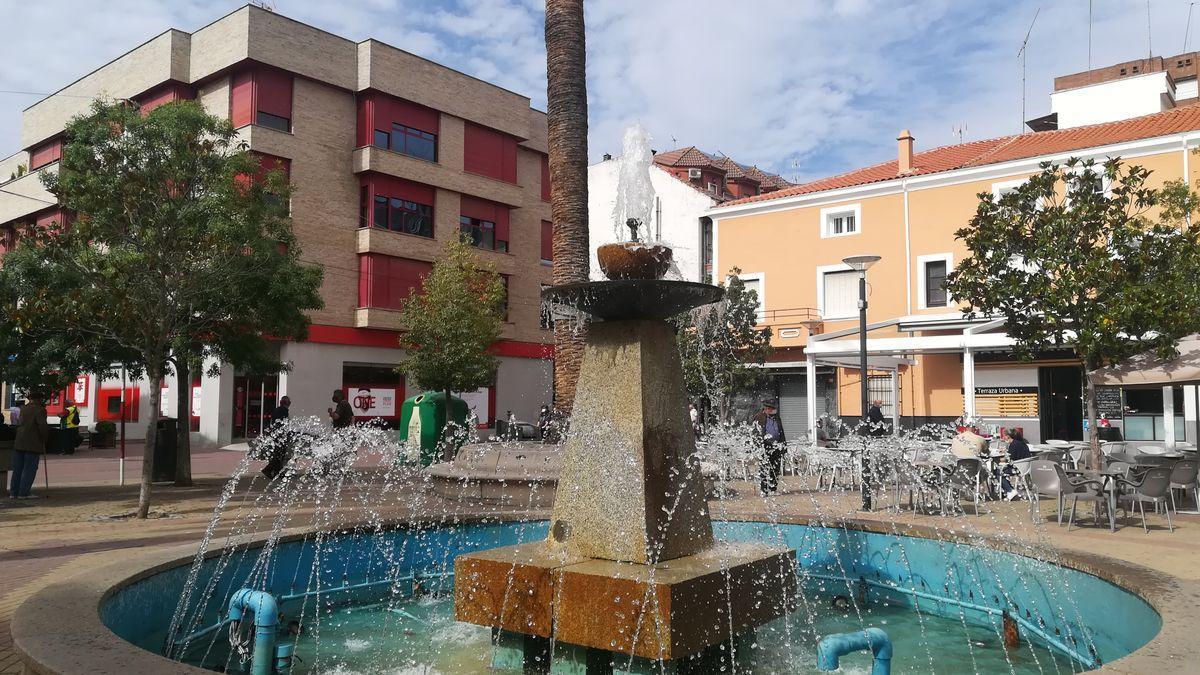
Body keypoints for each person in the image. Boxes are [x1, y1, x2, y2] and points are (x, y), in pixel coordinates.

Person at [9, 391, 48, 499]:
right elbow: (42, 426)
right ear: (39, 399)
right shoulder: (40, 410)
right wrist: (45, 438)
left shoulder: (23, 409)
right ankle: (23, 493)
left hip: (19, 442)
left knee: (17, 469)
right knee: (29, 469)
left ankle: (13, 493)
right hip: (32, 443)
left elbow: (19, 424)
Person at [754, 400, 786, 496]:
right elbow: (756, 433)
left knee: (775, 468)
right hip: (765, 447)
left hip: (777, 446)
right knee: (764, 468)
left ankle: (773, 488)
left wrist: (784, 445)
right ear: (767, 409)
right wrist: (760, 444)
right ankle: (764, 490)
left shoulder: (777, 418)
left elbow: (781, 432)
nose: (775, 410)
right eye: (773, 408)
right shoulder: (759, 417)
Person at [261, 396, 292, 480]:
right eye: (289, 402)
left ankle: (277, 472)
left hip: (277, 435)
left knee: (279, 455)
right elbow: (282, 424)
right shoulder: (283, 410)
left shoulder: (277, 410)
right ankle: (268, 470)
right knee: (279, 455)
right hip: (280, 436)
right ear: (287, 403)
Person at [1001, 428, 1032, 500]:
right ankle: (1009, 492)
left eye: (1004, 436)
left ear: (1008, 436)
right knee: (1002, 469)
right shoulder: (1022, 443)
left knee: (998, 471)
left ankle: (1010, 491)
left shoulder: (1013, 445)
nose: (1003, 438)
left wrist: (1001, 459)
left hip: (1017, 468)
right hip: (1025, 468)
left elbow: (1010, 459)